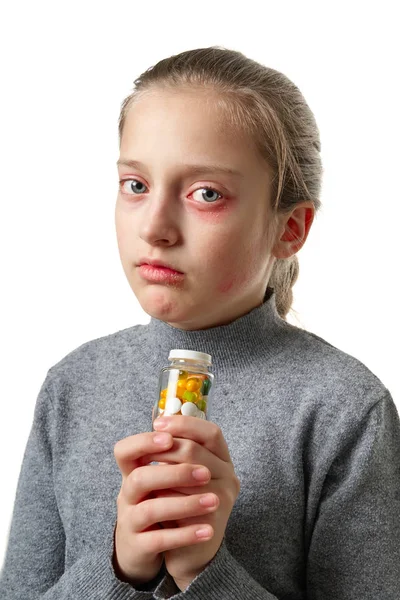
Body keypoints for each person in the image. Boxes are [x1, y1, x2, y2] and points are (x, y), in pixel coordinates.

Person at [0, 45, 399, 600]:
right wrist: (120, 568)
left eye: (205, 193)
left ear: (291, 228)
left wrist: (205, 573)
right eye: (135, 185)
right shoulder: (72, 384)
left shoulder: (345, 409)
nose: (156, 227)